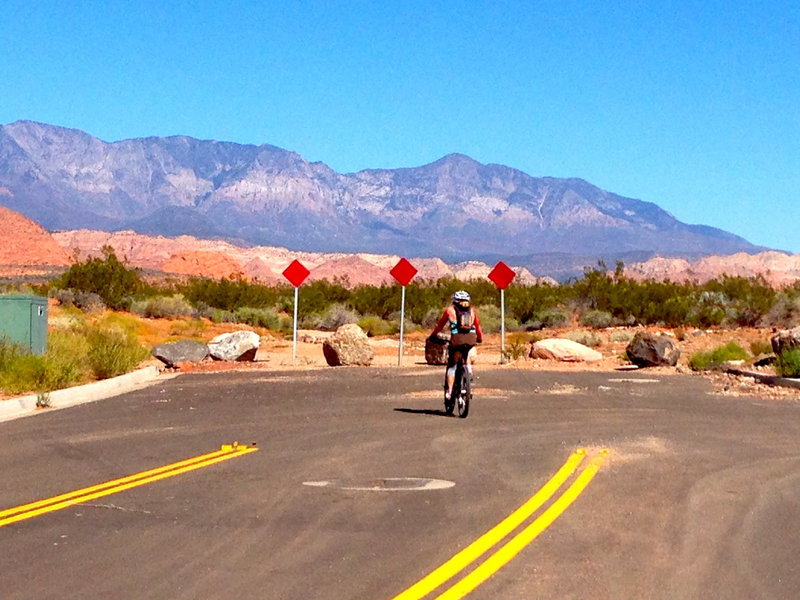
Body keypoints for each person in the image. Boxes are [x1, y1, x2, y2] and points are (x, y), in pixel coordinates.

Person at [428, 290, 483, 401]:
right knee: (466, 353)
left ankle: (450, 391)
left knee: (452, 365)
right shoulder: (472, 311)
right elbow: (478, 326)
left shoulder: (450, 310)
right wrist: (479, 338)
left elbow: (440, 325)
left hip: (457, 340)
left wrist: (433, 335)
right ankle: (469, 374)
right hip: (471, 339)